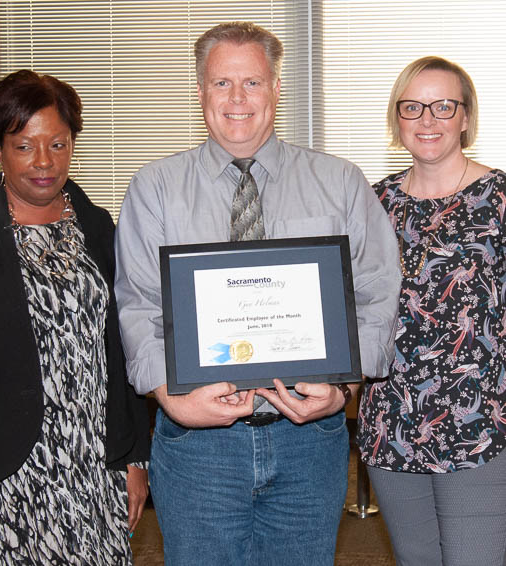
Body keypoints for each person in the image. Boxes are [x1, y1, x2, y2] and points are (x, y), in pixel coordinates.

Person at [115, 22, 400, 566]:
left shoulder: (339, 181)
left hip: (308, 441)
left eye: (252, 82)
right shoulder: (154, 188)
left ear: (275, 89)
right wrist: (169, 397)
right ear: (201, 93)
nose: (238, 99)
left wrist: (343, 383)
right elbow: (138, 302)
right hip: (197, 447)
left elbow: (378, 287)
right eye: (222, 84)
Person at [0, 70, 151, 566]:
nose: (43, 162)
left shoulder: (98, 226)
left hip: (93, 471)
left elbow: (124, 347)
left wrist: (134, 456)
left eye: (57, 144)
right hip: (1, 477)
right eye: (24, 146)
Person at [358, 56, 506, 566]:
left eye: (444, 106)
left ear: (466, 117)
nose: (428, 120)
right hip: (391, 420)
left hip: (481, 423)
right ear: (397, 119)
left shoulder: (501, 199)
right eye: (413, 106)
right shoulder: (372, 204)